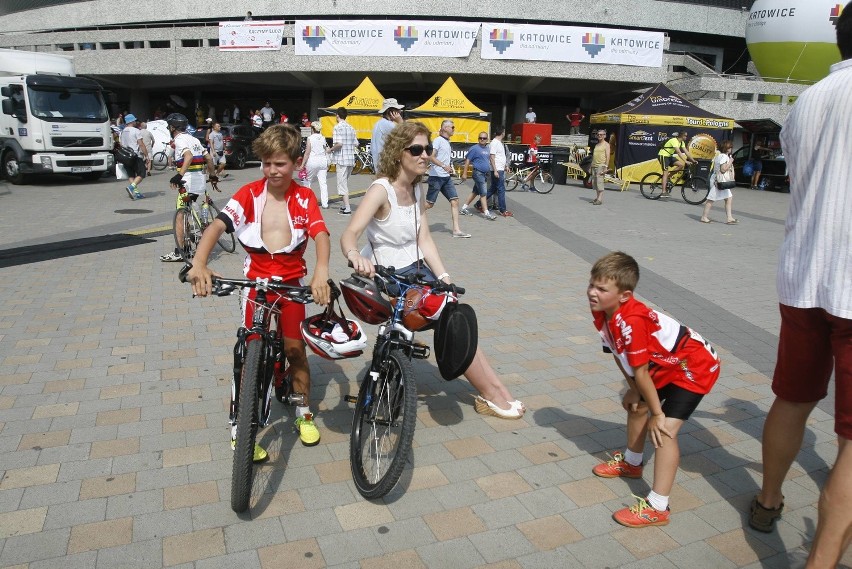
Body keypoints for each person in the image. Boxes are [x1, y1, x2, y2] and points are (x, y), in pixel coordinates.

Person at [751, 6, 852, 567]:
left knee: (792, 397)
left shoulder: (809, 99)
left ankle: (767, 500)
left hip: (803, 275)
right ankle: (821, 559)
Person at [340, 121, 525, 419]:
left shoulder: (417, 188)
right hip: (387, 275)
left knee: (455, 310)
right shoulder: (380, 190)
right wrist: (353, 255)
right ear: (398, 152)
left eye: (427, 148)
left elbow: (424, 239)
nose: (425, 154)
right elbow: (349, 235)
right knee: (449, 317)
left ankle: (497, 391)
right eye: (417, 149)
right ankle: (492, 394)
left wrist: (444, 276)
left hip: (415, 272)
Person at [187, 124, 332, 451]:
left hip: (292, 286)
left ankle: (303, 411)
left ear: (296, 163)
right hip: (256, 285)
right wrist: (199, 263)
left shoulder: (304, 196)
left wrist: (321, 271)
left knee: (296, 352)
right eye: (266, 163)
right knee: (247, 351)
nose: (271, 170)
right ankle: (242, 424)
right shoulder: (249, 194)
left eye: (279, 163)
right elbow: (217, 226)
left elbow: (321, 235)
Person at [588, 251, 721, 528]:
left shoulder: (632, 320)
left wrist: (658, 414)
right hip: (663, 362)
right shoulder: (603, 309)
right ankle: (632, 463)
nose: (592, 292)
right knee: (637, 406)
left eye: (601, 288)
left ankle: (658, 506)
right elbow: (616, 351)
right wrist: (633, 390)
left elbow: (641, 371)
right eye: (592, 284)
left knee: (663, 431)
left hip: (693, 366)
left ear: (623, 295)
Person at [160, 112, 217, 262]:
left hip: (188, 183)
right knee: (190, 210)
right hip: (199, 182)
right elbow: (209, 158)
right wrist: (212, 176)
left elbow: (189, 156)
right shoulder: (194, 139)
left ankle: (181, 252)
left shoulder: (179, 140)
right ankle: (194, 239)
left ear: (172, 127)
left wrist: (179, 175)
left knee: (180, 216)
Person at [426, 119, 470, 238]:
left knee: (455, 201)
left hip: (446, 178)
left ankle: (456, 230)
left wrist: (448, 167)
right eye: (452, 127)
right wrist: (443, 166)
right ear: (445, 128)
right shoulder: (438, 140)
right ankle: (410, 214)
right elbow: (431, 156)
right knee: (429, 204)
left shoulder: (447, 142)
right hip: (436, 177)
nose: (453, 129)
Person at [459, 132, 496, 220]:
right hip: (478, 173)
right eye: (480, 138)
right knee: (483, 193)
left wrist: (495, 170)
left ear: (487, 139)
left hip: (484, 174)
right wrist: (464, 173)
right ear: (478, 138)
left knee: (475, 192)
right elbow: (467, 160)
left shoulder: (487, 148)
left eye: (484, 138)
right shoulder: (474, 148)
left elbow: (490, 159)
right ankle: (486, 213)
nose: (482, 139)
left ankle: (464, 208)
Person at [700, 140, 736, 224]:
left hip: (718, 179)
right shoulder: (724, 157)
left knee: (728, 198)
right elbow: (723, 169)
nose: (731, 148)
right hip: (719, 181)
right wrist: (730, 162)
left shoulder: (720, 155)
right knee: (711, 199)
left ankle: (729, 218)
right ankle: (704, 217)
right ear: (727, 148)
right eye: (730, 147)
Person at [329, 107, 357, 214]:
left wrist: (330, 150)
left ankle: (347, 208)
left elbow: (339, 144)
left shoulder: (337, 127)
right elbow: (356, 143)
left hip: (341, 159)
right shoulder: (351, 127)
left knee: (342, 184)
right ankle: (345, 206)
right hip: (350, 158)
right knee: (344, 183)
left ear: (337, 115)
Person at [302, 121, 331, 210]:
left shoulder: (310, 138)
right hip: (323, 161)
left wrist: (302, 164)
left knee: (307, 181)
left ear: (312, 129)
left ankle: (307, 202)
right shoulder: (323, 138)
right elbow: (327, 149)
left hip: (312, 161)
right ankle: (325, 204)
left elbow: (307, 153)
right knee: (323, 183)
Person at [657, 131, 695, 199]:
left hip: (669, 156)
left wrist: (693, 160)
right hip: (663, 155)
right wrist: (685, 161)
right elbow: (678, 152)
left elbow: (686, 152)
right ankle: (663, 192)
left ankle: (668, 178)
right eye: (685, 136)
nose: (686, 137)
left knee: (680, 165)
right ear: (681, 136)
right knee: (665, 173)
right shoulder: (674, 140)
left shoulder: (682, 142)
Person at [118, 113, 146, 200]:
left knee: (131, 175)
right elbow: (141, 144)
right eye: (135, 120)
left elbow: (121, 144)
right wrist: (146, 154)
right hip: (135, 155)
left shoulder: (122, 132)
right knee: (142, 173)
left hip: (125, 156)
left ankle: (137, 193)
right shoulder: (136, 131)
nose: (136, 122)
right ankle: (131, 187)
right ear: (132, 121)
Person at [371, 98, 405, 169]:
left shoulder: (379, 123)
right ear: (391, 112)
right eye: (397, 110)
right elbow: (407, 135)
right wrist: (400, 121)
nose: (400, 112)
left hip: (379, 163)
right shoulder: (388, 124)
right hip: (386, 164)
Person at [486, 125, 512, 217]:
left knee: (493, 189)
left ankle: (478, 204)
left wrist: (505, 166)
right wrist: (496, 170)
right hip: (497, 170)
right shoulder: (494, 143)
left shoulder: (499, 143)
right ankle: (503, 210)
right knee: (501, 189)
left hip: (500, 168)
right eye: (504, 132)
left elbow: (500, 157)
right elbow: (492, 157)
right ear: (502, 133)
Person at [590, 129, 610, 205]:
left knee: (599, 182)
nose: (599, 136)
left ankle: (600, 199)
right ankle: (597, 197)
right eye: (598, 134)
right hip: (594, 165)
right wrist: (591, 165)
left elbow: (608, 156)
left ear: (605, 136)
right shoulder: (597, 145)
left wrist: (606, 166)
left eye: (601, 135)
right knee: (595, 183)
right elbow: (594, 156)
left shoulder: (606, 145)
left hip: (601, 165)